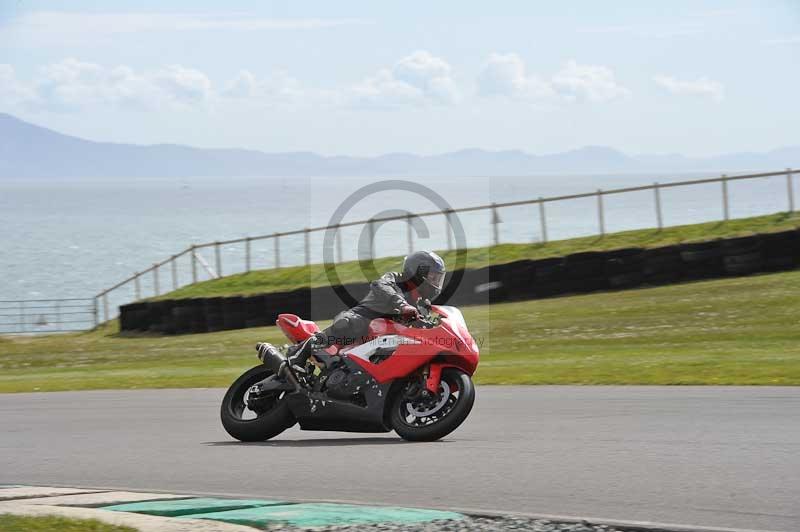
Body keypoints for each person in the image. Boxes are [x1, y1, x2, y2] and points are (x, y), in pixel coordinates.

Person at [279, 250, 447, 368]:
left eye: (437, 279)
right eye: (432, 277)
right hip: (362, 320)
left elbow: (425, 326)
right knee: (351, 323)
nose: (435, 283)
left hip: (384, 341)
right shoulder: (395, 280)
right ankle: (298, 354)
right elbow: (382, 286)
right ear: (417, 272)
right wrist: (402, 305)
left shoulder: (421, 305)